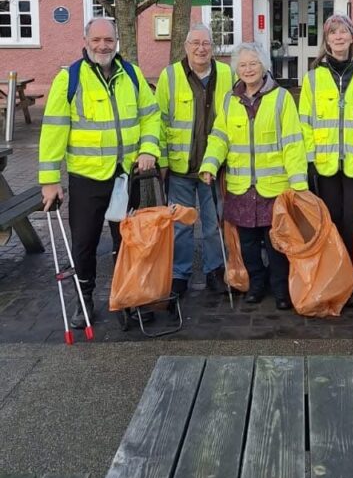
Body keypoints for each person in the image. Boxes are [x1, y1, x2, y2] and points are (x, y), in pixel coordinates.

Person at [38, 17, 160, 327]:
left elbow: (151, 116)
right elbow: (53, 131)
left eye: (108, 40)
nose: (103, 45)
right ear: (86, 40)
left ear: (117, 41)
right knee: (84, 243)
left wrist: (148, 149)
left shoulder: (130, 74)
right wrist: (50, 180)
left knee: (128, 242)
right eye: (97, 40)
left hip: (125, 176)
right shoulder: (70, 79)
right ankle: (84, 300)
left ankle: (128, 297)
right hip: (86, 178)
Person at [199, 42, 307, 309]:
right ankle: (257, 284)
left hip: (274, 187)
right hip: (241, 186)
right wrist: (210, 165)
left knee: (276, 243)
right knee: (247, 243)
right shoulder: (230, 100)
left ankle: (281, 289)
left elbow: (293, 143)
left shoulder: (281, 98)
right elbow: (220, 136)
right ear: (237, 69)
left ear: (264, 67)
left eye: (253, 64)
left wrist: (299, 183)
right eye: (243, 65)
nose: (248, 69)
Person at [298, 14, 353, 307]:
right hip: (325, 164)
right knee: (331, 221)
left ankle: (352, 280)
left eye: (343, 32)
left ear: (352, 38)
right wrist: (308, 160)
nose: (338, 37)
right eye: (332, 33)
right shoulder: (312, 78)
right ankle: (333, 276)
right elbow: (305, 123)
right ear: (326, 40)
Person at [156, 24, 233, 301]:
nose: (201, 49)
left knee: (213, 224)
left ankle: (215, 271)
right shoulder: (170, 76)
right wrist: (162, 161)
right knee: (181, 226)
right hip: (180, 167)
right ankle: (180, 275)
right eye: (195, 43)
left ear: (213, 47)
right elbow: (160, 121)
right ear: (186, 46)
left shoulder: (226, 73)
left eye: (207, 43)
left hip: (214, 167)